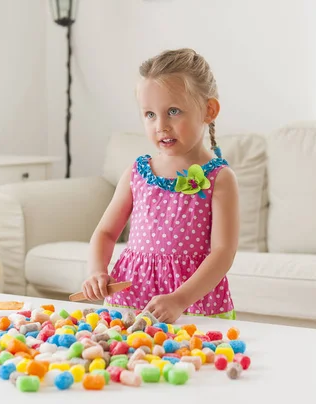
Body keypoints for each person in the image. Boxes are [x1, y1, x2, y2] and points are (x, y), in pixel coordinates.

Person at [81, 48, 240, 323]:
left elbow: (223, 253)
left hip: (192, 304)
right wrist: (97, 270)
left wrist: (180, 299)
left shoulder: (220, 178)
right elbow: (106, 233)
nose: (161, 125)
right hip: (129, 299)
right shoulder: (136, 172)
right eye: (150, 114)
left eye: (173, 111)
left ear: (209, 110)